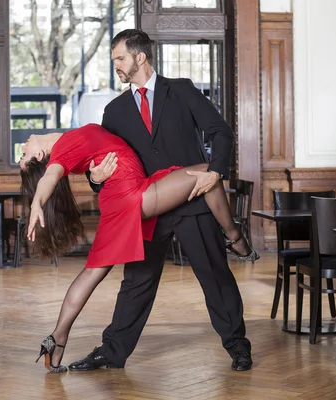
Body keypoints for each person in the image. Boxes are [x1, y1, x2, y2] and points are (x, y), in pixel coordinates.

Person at [68, 29, 255, 373]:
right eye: (114, 61)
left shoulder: (181, 91)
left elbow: (220, 132)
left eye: (120, 58)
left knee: (214, 275)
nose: (116, 66)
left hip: (193, 204)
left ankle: (238, 347)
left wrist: (216, 172)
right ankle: (112, 352)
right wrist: (95, 179)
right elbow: (107, 169)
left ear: (140, 57)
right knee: (136, 282)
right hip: (146, 210)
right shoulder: (114, 112)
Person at [19, 123, 257, 372]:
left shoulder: (68, 139)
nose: (23, 148)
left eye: (22, 154)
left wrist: (94, 176)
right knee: (210, 172)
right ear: (39, 156)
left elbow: (89, 162)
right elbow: (50, 176)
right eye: (25, 156)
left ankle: (57, 339)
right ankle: (234, 238)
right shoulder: (61, 151)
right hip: (132, 194)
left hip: (120, 198)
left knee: (93, 272)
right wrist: (37, 203)